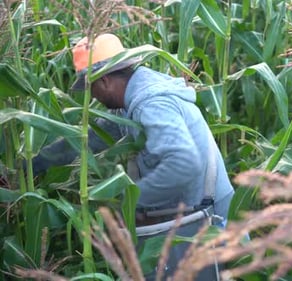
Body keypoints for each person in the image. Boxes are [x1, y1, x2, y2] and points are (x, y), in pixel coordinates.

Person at [33, 33, 235, 280]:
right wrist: (33, 164)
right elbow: (89, 139)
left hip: (205, 217)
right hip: (192, 208)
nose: (91, 97)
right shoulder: (129, 103)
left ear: (105, 80)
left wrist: (130, 204)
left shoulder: (150, 103)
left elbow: (182, 164)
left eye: (90, 88)